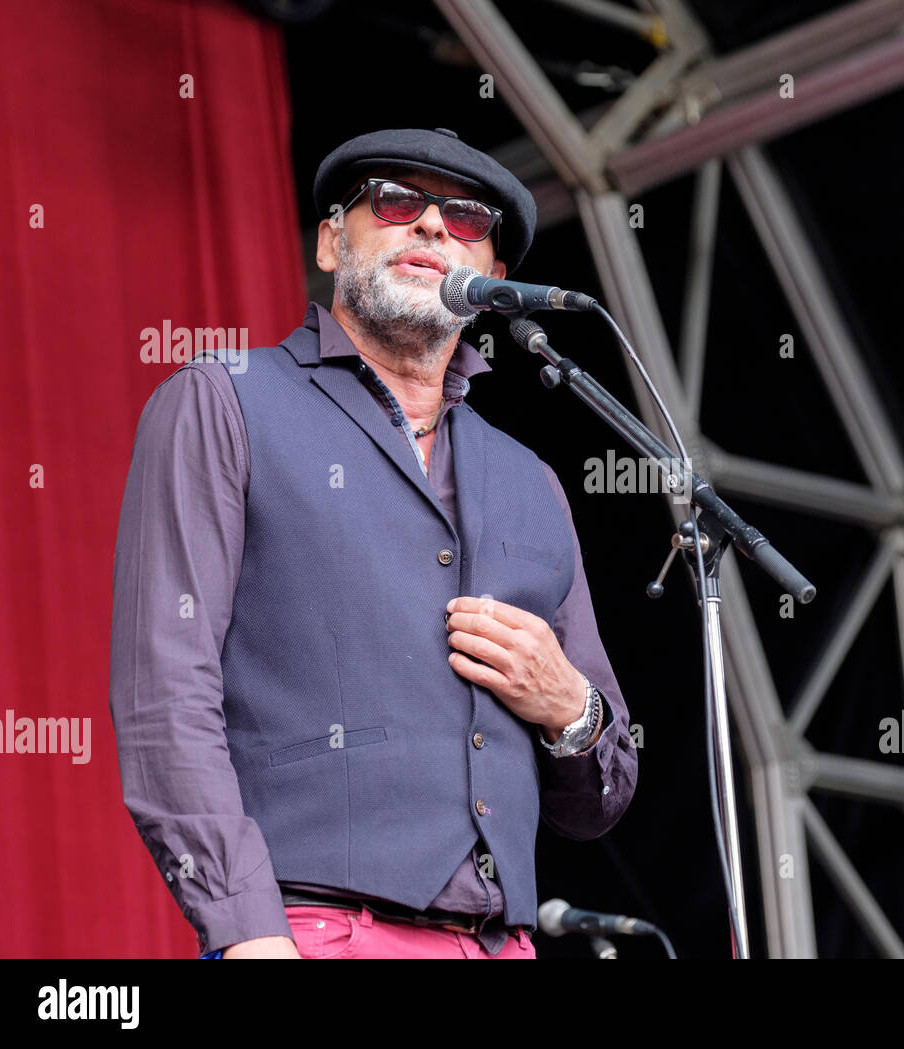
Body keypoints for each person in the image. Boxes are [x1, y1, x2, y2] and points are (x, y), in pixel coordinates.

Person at [109, 128, 638, 959]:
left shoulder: (530, 481)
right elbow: (164, 699)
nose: (431, 227)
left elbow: (597, 799)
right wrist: (248, 931)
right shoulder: (223, 402)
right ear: (330, 239)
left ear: (493, 282)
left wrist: (573, 711)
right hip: (312, 932)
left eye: (466, 218)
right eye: (395, 201)